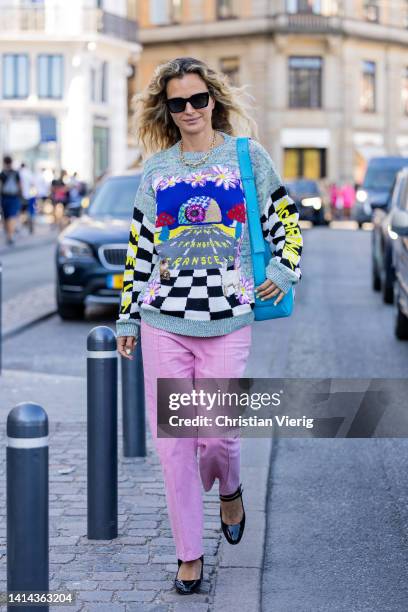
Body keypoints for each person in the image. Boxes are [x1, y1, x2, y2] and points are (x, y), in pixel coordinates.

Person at [116, 57, 303, 595]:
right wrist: (129, 315)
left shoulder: (246, 157)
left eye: (199, 99)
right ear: (167, 110)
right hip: (163, 319)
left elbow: (284, 219)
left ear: (213, 100)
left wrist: (284, 269)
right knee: (176, 444)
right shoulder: (156, 170)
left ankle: (231, 487)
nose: (191, 110)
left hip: (228, 316)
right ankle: (188, 555)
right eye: (179, 103)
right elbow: (140, 248)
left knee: (216, 436)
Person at [0, 155, 22, 245]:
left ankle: (9, 234)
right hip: (14, 197)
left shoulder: (2, 174)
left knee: (6, 216)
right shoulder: (16, 173)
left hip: (4, 197)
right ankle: (10, 235)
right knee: (12, 216)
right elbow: (19, 185)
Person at [19, 162, 37, 234]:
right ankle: (30, 227)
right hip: (30, 195)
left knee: (20, 212)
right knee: (30, 212)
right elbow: (33, 184)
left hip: (21, 196)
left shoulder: (19, 173)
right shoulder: (29, 173)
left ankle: (19, 227)